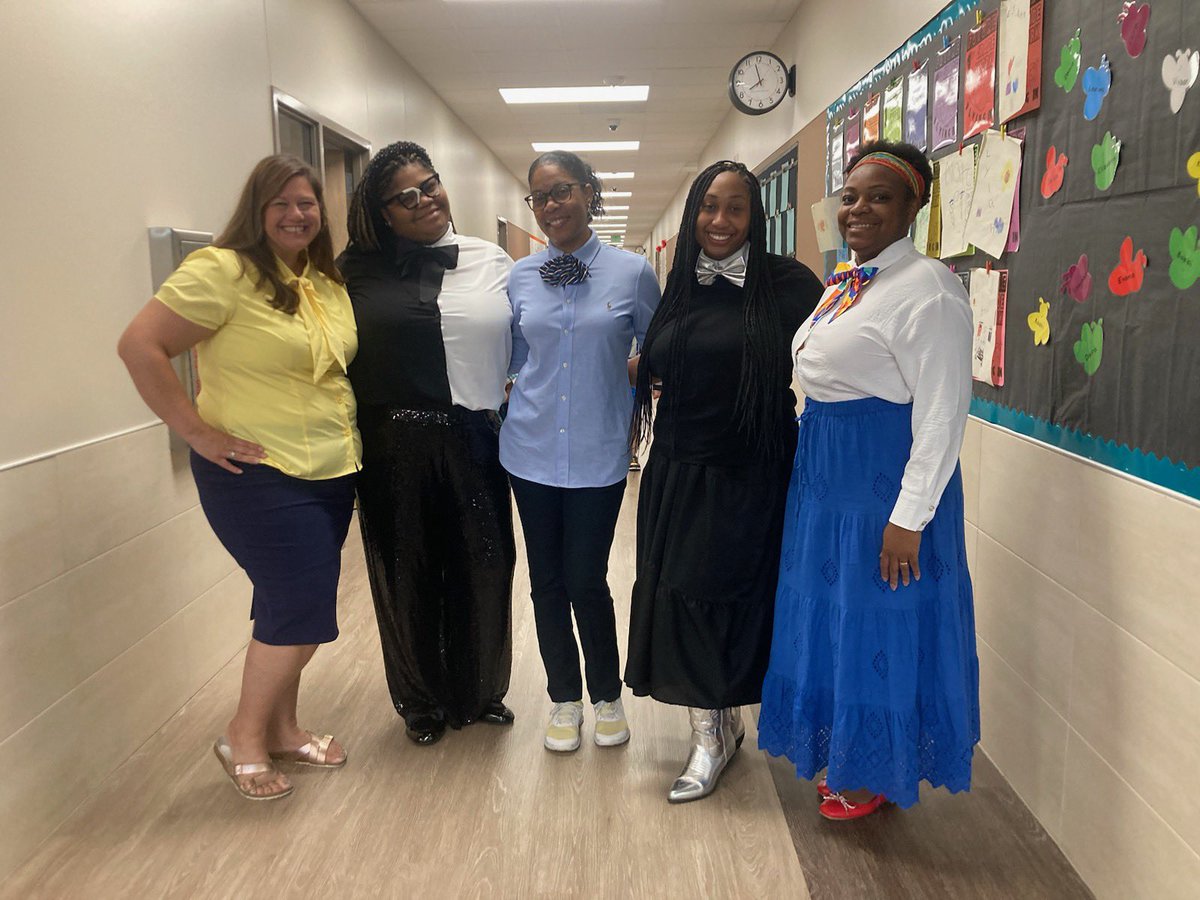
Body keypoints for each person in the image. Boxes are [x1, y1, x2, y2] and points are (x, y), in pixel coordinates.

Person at [117, 155, 359, 801]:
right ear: (255, 211)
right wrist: (195, 431)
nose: (295, 213)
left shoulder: (325, 282)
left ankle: (284, 728)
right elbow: (140, 346)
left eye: (306, 202)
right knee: (304, 603)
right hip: (255, 472)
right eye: (279, 203)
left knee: (285, 603)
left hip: (330, 469)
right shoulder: (222, 272)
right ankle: (244, 735)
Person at [757, 140, 979, 820]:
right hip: (824, 485)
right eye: (851, 195)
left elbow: (942, 417)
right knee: (833, 620)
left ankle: (873, 770)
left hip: (882, 491)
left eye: (880, 196)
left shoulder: (929, 291)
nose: (859, 208)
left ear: (915, 206)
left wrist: (909, 519)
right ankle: (844, 749)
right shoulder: (846, 285)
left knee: (875, 623)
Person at [623, 161, 823, 802]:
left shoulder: (790, 286)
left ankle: (729, 722)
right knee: (683, 597)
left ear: (756, 217)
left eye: (735, 208)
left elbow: (828, 364)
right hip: (680, 470)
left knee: (734, 598)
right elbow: (659, 360)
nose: (719, 220)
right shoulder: (678, 284)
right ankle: (709, 733)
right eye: (708, 206)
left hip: (753, 473)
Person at [340, 141, 517, 747]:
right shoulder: (352, 271)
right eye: (404, 196)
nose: (424, 200)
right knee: (407, 568)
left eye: (430, 184)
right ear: (383, 213)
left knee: (486, 564)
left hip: (475, 433)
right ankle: (418, 699)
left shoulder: (489, 257)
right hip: (393, 441)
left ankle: (480, 688)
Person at [502, 150, 660, 752]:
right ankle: (563, 698)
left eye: (562, 191)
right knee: (546, 581)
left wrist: (619, 374)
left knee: (586, 578)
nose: (551, 206)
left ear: (589, 193)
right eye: (539, 197)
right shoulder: (519, 276)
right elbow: (516, 357)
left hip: (597, 452)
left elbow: (658, 343)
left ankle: (607, 694)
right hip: (530, 449)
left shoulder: (632, 272)